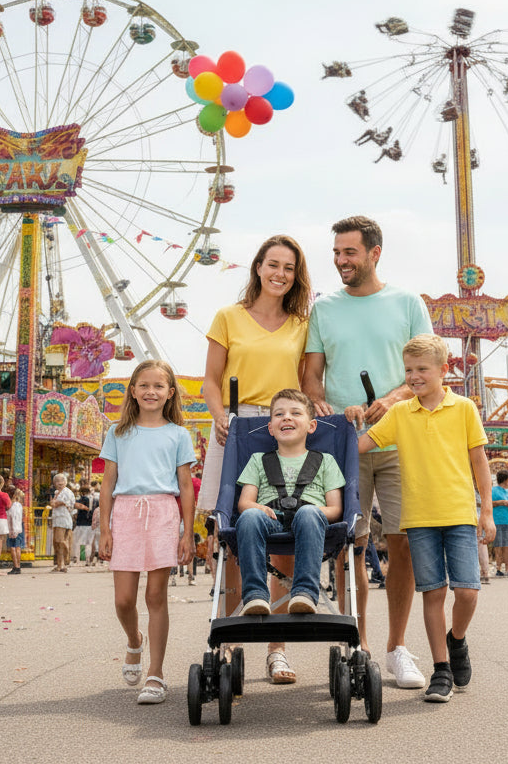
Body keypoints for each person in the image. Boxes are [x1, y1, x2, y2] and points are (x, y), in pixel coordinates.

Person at [302, 215, 432, 688]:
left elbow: (428, 366)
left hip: (401, 440)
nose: (340, 261)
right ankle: (358, 645)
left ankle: (398, 648)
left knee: (402, 542)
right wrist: (321, 402)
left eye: (349, 253)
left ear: (375, 253)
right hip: (344, 441)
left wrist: (394, 398)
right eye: (336, 253)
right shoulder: (324, 308)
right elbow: (311, 373)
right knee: (347, 543)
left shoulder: (407, 302)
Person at [197, 234, 312, 684]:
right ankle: (229, 640)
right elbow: (210, 378)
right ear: (258, 267)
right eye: (273, 265)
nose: (279, 274)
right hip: (238, 423)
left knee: (283, 532)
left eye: (289, 267)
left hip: (283, 424)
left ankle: (278, 650)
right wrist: (220, 414)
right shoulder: (229, 316)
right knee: (232, 537)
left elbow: (307, 384)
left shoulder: (302, 325)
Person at [359, 334, 494, 703]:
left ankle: (457, 640)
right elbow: (362, 444)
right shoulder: (400, 413)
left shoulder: (464, 407)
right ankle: (441, 670)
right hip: (418, 518)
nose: (414, 376)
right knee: (432, 593)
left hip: (459, 514)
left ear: (443, 371)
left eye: (422, 369)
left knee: (466, 591)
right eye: (408, 370)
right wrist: (337, 425)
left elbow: (479, 459)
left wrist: (486, 510)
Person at [99, 360, 196, 705]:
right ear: (133, 390)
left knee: (155, 596)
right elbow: (108, 480)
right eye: (144, 385)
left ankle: (155, 674)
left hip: (162, 513)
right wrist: (105, 528)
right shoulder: (117, 432)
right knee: (123, 599)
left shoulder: (178, 435)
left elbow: (185, 485)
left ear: (170, 393)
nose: (151, 391)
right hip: (125, 512)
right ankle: (134, 640)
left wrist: (187, 532)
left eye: (158, 386)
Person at [236, 389, 344, 616]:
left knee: (308, 514)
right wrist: (259, 508)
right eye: (279, 414)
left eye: (296, 413)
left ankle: (304, 592)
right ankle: (255, 595)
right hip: (269, 518)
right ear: (270, 428)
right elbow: (245, 502)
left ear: (311, 426)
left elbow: (335, 509)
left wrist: (313, 511)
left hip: (310, 522)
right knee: (249, 516)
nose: (286, 417)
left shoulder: (326, 461)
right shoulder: (258, 460)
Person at [492, 471, 508, 577]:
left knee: (507, 546)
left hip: (507, 521)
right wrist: (501, 502)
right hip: (496, 521)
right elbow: (489, 503)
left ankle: (507, 568)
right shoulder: (493, 490)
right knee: (498, 546)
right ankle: (498, 568)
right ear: (506, 479)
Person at [50, 473, 75, 572]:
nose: (60, 483)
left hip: (64, 519)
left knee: (60, 540)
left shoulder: (67, 492)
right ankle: (60, 565)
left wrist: (56, 503)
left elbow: (61, 503)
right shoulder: (57, 492)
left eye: (62, 481)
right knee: (56, 543)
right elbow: (53, 504)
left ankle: (67, 556)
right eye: (57, 481)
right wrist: (54, 503)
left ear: (66, 482)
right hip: (56, 518)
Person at [73, 484, 95, 565]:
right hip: (90, 524)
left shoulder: (83, 499)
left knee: (78, 542)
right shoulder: (94, 499)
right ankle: (88, 559)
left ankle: (77, 558)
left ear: (82, 492)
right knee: (89, 542)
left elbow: (75, 505)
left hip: (81, 523)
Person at [6, 489, 25, 574]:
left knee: (13, 547)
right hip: (19, 527)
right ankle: (18, 566)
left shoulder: (11, 506)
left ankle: (16, 566)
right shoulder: (19, 505)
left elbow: (12, 518)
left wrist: (13, 530)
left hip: (13, 528)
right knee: (18, 547)